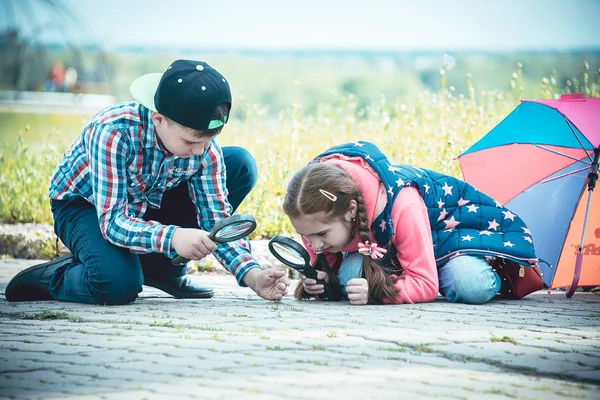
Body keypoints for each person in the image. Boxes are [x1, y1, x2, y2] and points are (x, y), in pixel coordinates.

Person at [6, 59, 290, 304]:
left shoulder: (203, 149)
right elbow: (114, 221)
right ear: (159, 119)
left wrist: (253, 275)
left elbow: (215, 220)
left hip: (144, 204)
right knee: (116, 285)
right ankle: (56, 274)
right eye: (191, 141)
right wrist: (174, 236)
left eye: (209, 141)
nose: (201, 151)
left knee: (238, 163)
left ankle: (162, 271)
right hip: (86, 207)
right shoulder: (112, 132)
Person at [283, 141, 539, 305]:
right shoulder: (314, 216)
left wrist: (376, 292)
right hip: (396, 258)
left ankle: (470, 270)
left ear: (351, 211)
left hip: (449, 246)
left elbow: (426, 286)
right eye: (307, 236)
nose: (314, 245)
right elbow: (328, 269)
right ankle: (413, 274)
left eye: (322, 235)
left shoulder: (402, 203)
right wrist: (320, 284)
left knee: (469, 284)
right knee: (349, 275)